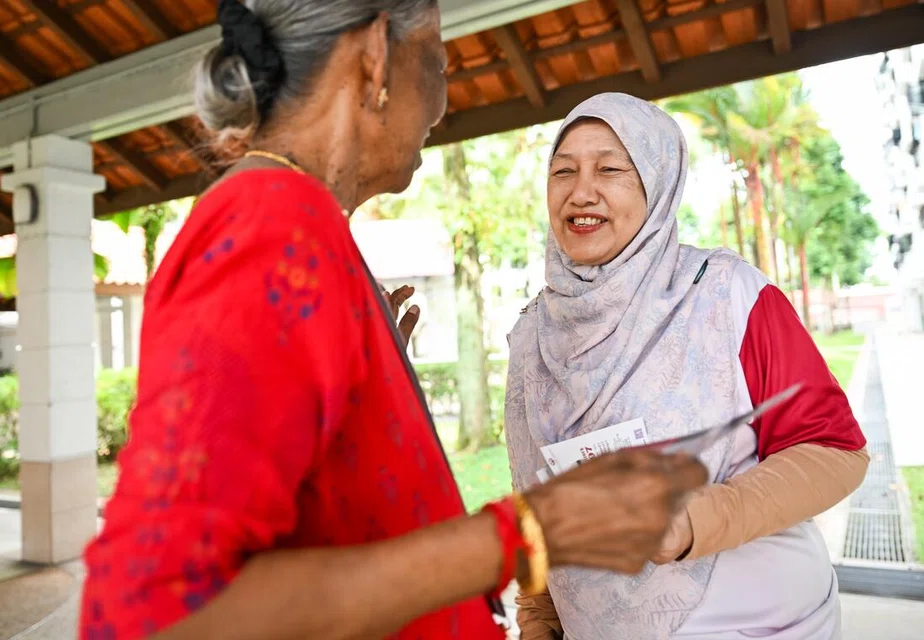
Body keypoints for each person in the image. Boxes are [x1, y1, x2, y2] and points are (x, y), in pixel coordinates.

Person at [78, 4, 709, 640]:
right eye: (437, 56)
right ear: (377, 54)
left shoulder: (306, 225)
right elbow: (159, 616)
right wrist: (531, 532)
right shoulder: (271, 226)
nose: (444, 89)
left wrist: (369, 391)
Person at [504, 93, 870, 640]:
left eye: (610, 168)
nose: (582, 191)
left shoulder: (726, 294)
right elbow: (534, 503)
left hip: (760, 624)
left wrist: (695, 518)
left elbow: (836, 451)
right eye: (563, 171)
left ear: (658, 182)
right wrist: (538, 622)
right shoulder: (533, 334)